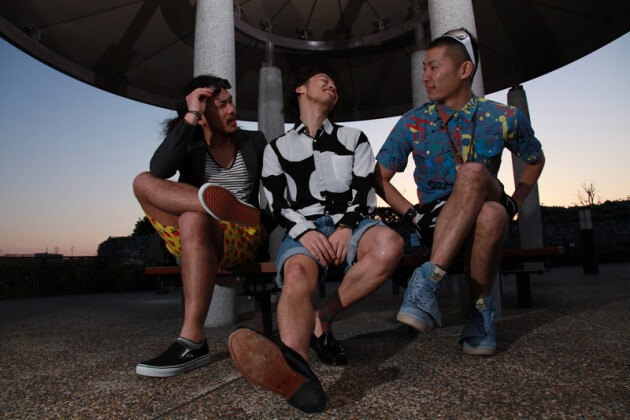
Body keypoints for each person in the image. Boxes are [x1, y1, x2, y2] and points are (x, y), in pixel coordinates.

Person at [227, 66, 404, 413]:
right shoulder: (276, 148)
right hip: (303, 228)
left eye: (335, 84)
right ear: (300, 90)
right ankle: (298, 375)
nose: (332, 85)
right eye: (324, 80)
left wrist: (346, 227)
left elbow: (364, 191)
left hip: (351, 224)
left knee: (390, 245)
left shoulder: (354, 138)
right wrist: (305, 232)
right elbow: (276, 202)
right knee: (295, 276)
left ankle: (323, 318)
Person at [374, 28, 545, 356]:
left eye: (434, 67)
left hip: (488, 194)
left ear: (465, 69)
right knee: (492, 214)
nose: (425, 77)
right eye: (424, 68)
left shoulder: (503, 117)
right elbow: (378, 178)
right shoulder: (413, 122)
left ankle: (426, 282)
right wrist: (412, 214)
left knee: (476, 177)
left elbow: (535, 160)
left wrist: (516, 202)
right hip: (438, 220)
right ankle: (481, 314)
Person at [132, 75, 271, 377]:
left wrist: (267, 225)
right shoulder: (190, 144)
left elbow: (277, 189)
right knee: (142, 181)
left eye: (231, 102)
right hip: (193, 235)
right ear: (204, 116)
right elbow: (159, 169)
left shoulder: (254, 142)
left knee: (191, 219)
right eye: (222, 105)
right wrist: (191, 114)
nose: (232, 109)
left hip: (240, 235)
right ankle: (208, 204)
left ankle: (191, 342)